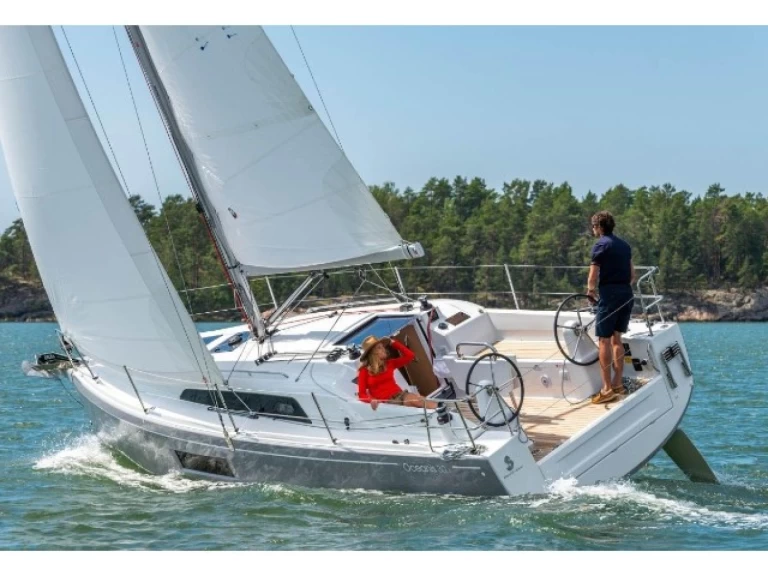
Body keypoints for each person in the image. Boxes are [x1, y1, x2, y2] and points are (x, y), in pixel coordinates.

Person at [587, 211, 636, 404]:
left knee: (604, 341)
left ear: (599, 227)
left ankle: (606, 389)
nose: (593, 230)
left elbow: (593, 276)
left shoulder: (600, 245)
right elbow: (633, 275)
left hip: (609, 295)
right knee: (617, 338)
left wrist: (590, 291)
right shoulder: (625, 245)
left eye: (593, 227)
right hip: (626, 294)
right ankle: (618, 384)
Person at [357, 335, 438, 410]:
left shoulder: (389, 363)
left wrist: (393, 343)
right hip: (386, 403)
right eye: (379, 347)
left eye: (382, 347)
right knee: (416, 403)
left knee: (419, 400)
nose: (383, 349)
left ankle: (441, 409)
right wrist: (371, 400)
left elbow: (410, 356)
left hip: (400, 395)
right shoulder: (364, 370)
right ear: (373, 353)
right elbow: (362, 394)